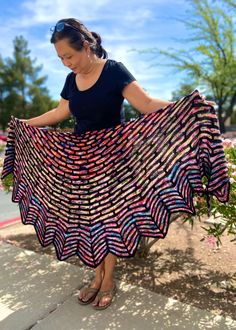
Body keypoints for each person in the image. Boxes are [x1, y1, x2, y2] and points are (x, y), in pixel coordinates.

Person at [20, 18, 215, 310]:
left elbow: (146, 104)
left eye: (69, 56)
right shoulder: (71, 80)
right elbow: (60, 112)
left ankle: (108, 279)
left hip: (113, 160)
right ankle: (97, 275)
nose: (65, 63)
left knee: (106, 222)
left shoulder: (114, 71)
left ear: (86, 47)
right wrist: (24, 124)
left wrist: (188, 105)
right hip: (81, 160)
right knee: (87, 221)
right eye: (60, 58)